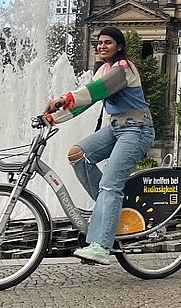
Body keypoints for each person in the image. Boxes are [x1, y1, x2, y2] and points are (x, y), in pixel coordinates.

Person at [44, 26, 155, 265]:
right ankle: (110, 213)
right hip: (116, 128)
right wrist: (52, 118)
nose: (102, 46)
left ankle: (101, 246)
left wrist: (65, 99)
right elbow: (84, 101)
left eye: (108, 42)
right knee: (77, 155)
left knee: (109, 184)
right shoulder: (104, 69)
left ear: (120, 46)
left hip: (137, 129)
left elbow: (96, 91)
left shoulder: (124, 68)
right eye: (99, 43)